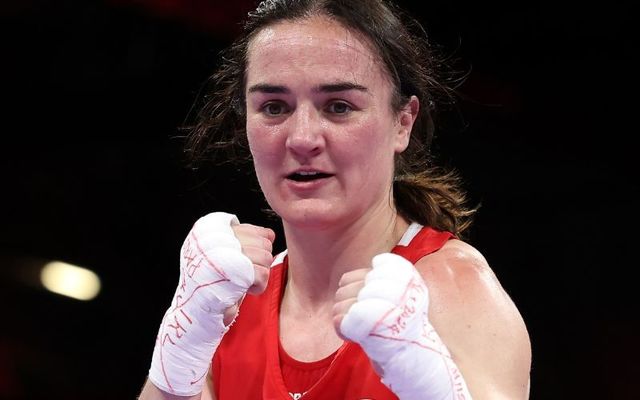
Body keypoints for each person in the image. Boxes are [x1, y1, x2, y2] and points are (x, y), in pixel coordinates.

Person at [139, 0, 532, 398]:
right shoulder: (225, 304)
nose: (303, 138)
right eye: (274, 107)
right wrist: (183, 337)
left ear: (403, 122)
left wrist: (426, 380)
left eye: (339, 107)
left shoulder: (453, 289)